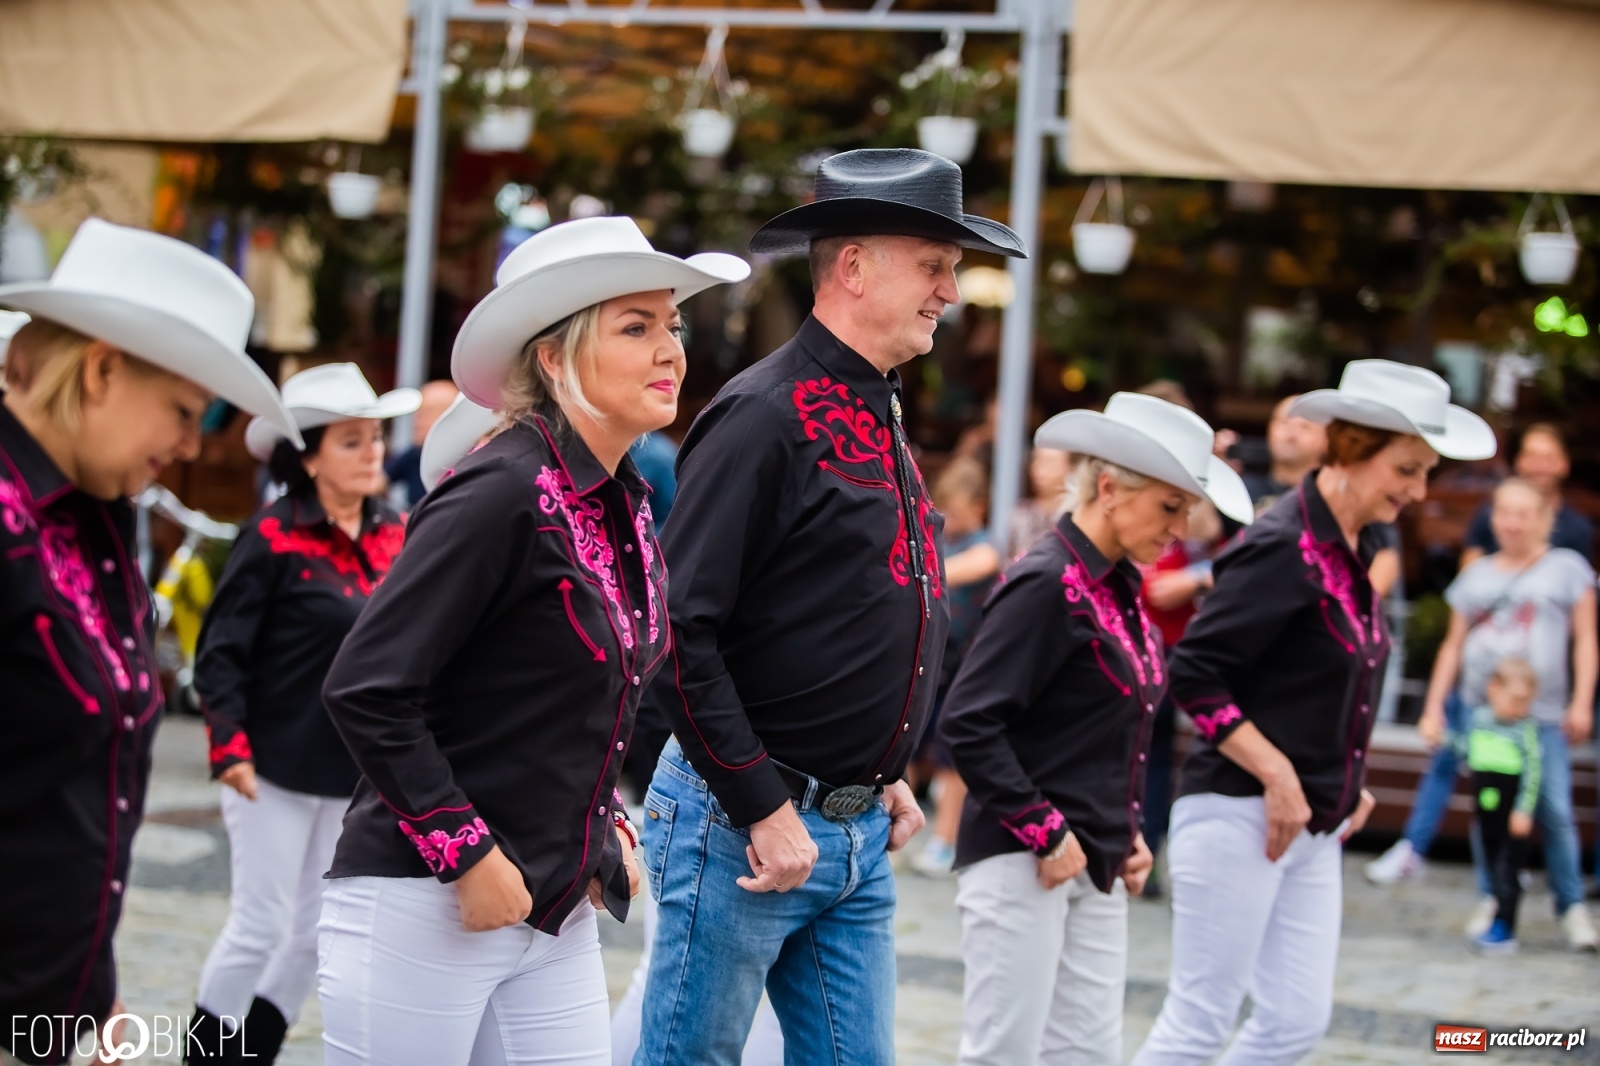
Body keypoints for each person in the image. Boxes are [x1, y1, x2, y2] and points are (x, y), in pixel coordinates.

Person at [315, 216, 749, 1066]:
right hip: (424, 899)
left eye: (673, 325)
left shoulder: (622, 501)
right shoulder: (500, 488)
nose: (671, 350)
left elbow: (576, 695)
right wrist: (465, 854)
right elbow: (366, 687)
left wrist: (601, 823)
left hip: (554, 905)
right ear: (553, 358)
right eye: (636, 327)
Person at [634, 148, 1026, 1066]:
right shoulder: (763, 412)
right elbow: (676, 630)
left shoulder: (876, 402)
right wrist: (762, 804)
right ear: (854, 266)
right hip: (745, 825)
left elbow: (839, 604)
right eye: (935, 265)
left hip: (852, 828)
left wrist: (880, 763)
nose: (952, 290)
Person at [1132, 360, 1497, 1065]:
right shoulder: (1280, 544)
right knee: (1199, 1023)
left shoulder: (1353, 547)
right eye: (1407, 469)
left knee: (1296, 1021)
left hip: (1313, 820)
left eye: (1425, 472)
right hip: (1240, 811)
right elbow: (1196, 674)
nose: (1420, 492)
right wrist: (1280, 777)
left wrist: (1342, 777)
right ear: (1354, 451)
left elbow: (1324, 683)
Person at [0, 218, 298, 1066]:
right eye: (182, 409)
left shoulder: (101, 514)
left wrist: (83, 993)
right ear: (100, 369)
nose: (191, 445)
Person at [942, 393, 1254, 1066]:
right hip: (1022, 856)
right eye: (1171, 506)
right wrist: (1045, 830)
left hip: (1093, 855)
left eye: (1187, 508)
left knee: (1086, 1056)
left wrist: (1124, 830)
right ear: (1109, 488)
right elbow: (969, 722)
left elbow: (1100, 730)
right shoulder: (1047, 581)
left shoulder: (1117, 587)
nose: (1182, 526)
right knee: (1004, 1055)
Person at [185, 363, 418, 1062]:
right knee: (260, 923)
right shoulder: (272, 535)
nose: (373, 452)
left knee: (316, 929)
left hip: (353, 774)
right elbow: (220, 651)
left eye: (376, 438)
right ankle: (203, 1049)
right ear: (308, 456)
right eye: (352, 441)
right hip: (272, 766)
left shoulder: (397, 535)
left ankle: (254, 1048)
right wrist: (228, 747)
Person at [1411, 477, 1597, 949]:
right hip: (1482, 711)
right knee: (1489, 809)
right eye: (1503, 512)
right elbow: (1453, 647)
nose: (1512, 523)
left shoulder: (1567, 568)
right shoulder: (1476, 575)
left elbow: (1586, 640)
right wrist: (1435, 706)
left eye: (1523, 513)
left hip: (1543, 713)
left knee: (1554, 809)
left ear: (1544, 518)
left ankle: (1570, 904)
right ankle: (1492, 894)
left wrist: (1581, 701)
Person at [909, 457, 1002, 877]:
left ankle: (945, 841)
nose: (951, 517)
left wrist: (916, 568)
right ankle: (900, 834)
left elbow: (968, 569)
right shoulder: (938, 540)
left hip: (966, 668)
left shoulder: (984, 545)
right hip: (929, 663)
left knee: (951, 760)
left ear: (979, 508)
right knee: (909, 751)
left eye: (959, 510)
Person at [1464, 657, 1543, 955]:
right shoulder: (1480, 721)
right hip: (1487, 814)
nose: (1519, 709)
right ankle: (1495, 918)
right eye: (1515, 700)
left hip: (1512, 815)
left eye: (1526, 703)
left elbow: (1533, 771)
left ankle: (1505, 927)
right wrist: (1441, 739)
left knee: (1508, 869)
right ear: (1493, 689)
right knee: (1492, 867)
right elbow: (1465, 750)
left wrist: (1524, 808)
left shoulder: (1525, 730)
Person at [1462, 423, 1593, 567]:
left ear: (1564, 463)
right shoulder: (1489, 512)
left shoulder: (1578, 527)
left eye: (1549, 458)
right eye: (1533, 457)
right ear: (1519, 461)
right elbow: (1470, 567)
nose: (1541, 466)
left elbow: (1581, 581)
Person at [383, 378, 458, 506]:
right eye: (417, 414)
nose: (416, 423)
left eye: (426, 414)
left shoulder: (466, 458)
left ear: (449, 418)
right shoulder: (414, 455)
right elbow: (379, 482)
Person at [1007, 445, 1073, 559]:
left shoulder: (1076, 514)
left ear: (1070, 468)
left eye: (1050, 462)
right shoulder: (1021, 513)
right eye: (1037, 460)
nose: (1040, 469)